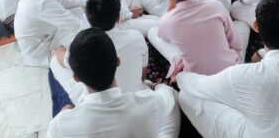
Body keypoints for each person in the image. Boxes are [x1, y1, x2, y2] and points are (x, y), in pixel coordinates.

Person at [177, 0, 279, 138]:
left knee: (187, 95)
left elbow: (198, 85)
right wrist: (262, 53)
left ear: (256, 26)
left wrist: (180, 77)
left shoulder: (242, 76)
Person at [47, 28, 180, 138]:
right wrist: (157, 86)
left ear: (76, 77)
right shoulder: (151, 101)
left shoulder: (59, 126)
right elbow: (168, 94)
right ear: (118, 61)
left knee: (54, 63)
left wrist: (64, 114)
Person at [50, 0, 150, 105]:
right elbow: (142, 76)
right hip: (135, 96)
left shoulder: (82, 46)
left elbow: (64, 61)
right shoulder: (136, 37)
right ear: (118, 18)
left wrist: (58, 49)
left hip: (95, 102)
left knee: (54, 62)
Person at [148, 0, 241, 77]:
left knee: (152, 32)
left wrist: (170, 10)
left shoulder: (167, 21)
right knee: (241, 25)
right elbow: (236, 44)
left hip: (198, 79)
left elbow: (162, 36)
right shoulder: (216, 6)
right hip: (230, 69)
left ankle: (178, 60)